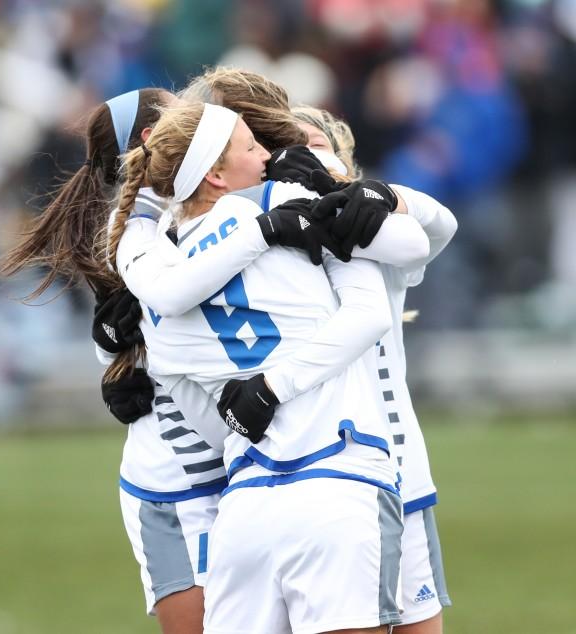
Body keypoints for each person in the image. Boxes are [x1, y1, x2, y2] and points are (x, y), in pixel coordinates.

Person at [107, 100, 403, 634]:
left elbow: (213, 423)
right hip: (340, 479)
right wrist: (371, 194)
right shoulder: (286, 198)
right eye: (252, 144)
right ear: (216, 175)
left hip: (244, 515)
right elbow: (393, 276)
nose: (269, 154)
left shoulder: (156, 277)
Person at [0, 88, 224, 634]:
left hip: (246, 469)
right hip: (175, 485)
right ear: (152, 139)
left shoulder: (214, 205)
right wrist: (115, 355)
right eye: (179, 109)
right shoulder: (137, 234)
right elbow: (128, 332)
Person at [292, 105, 455, 634]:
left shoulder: (372, 233)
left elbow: (440, 225)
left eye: (318, 145)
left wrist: (391, 196)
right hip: (307, 470)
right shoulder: (261, 236)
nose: (305, 156)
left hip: (397, 469)